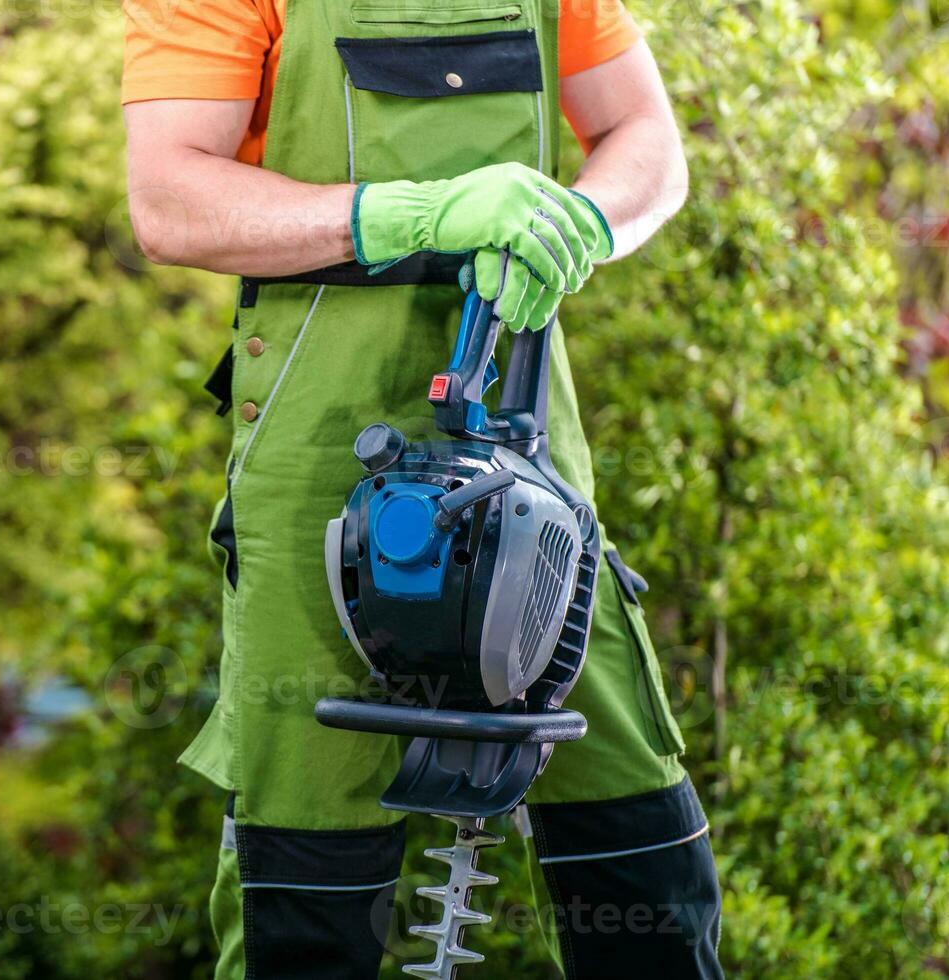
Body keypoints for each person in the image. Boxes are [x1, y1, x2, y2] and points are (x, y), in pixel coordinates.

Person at [120, 0, 723, 975]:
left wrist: (583, 223)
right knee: (305, 899)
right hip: (320, 449)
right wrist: (412, 214)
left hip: (531, 446)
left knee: (645, 863)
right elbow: (169, 198)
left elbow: (644, 136)